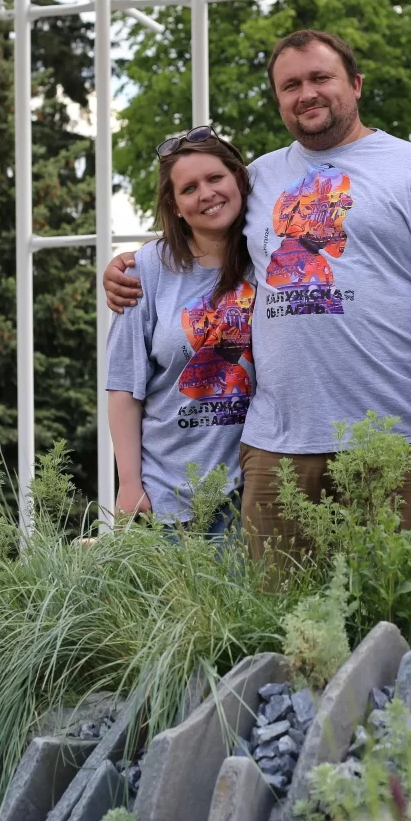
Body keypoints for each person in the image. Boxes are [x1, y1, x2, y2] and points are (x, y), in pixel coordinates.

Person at [104, 30, 411, 563]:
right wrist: (130, 265)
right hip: (277, 449)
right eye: (290, 85)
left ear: (355, 84)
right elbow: (205, 232)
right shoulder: (259, 177)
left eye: (320, 78)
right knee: (273, 607)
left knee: (399, 597)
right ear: (278, 100)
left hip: (395, 436)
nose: (306, 94)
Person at [105, 127, 256, 535]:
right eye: (189, 188)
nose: (206, 194)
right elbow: (124, 384)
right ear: (175, 206)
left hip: (251, 494)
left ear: (238, 179)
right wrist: (129, 484)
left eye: (215, 178)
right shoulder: (145, 270)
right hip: (167, 499)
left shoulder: (267, 257)